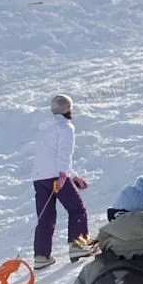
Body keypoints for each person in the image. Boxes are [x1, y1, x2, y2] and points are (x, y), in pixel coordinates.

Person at [31, 93, 95, 270]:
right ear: (69, 110)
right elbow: (64, 154)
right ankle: (78, 245)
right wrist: (62, 176)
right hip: (56, 176)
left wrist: (73, 176)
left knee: (45, 217)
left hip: (39, 178)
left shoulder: (45, 129)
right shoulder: (66, 127)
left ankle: (41, 256)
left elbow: (51, 156)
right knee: (77, 209)